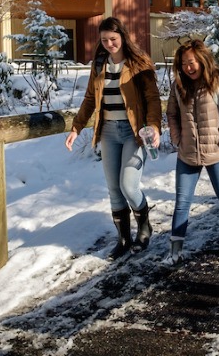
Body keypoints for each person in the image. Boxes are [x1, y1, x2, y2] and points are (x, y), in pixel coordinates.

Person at [65, 17, 161, 260]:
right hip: (108, 131)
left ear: (123, 37)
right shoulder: (99, 64)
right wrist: (76, 127)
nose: (109, 44)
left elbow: (152, 99)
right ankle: (123, 239)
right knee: (113, 189)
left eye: (113, 39)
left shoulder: (139, 63)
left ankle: (144, 227)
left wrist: (154, 127)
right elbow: (89, 98)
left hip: (134, 133)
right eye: (105, 40)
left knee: (128, 184)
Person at [163, 39, 219, 265]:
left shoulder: (218, 81)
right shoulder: (178, 85)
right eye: (183, 64)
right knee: (182, 202)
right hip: (187, 153)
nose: (187, 67)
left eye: (191, 62)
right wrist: (176, 138)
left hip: (216, 152)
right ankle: (175, 252)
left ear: (202, 60)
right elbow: (171, 114)